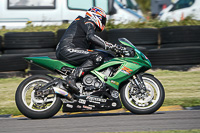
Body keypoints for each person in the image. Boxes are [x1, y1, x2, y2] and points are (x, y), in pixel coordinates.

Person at [56, 7, 118, 95]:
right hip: (68, 49)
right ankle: (72, 77)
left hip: (68, 49)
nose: (103, 23)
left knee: (99, 55)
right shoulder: (88, 22)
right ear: (96, 16)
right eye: (103, 20)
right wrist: (109, 46)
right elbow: (91, 37)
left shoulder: (84, 25)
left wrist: (109, 53)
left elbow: (93, 49)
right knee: (98, 57)